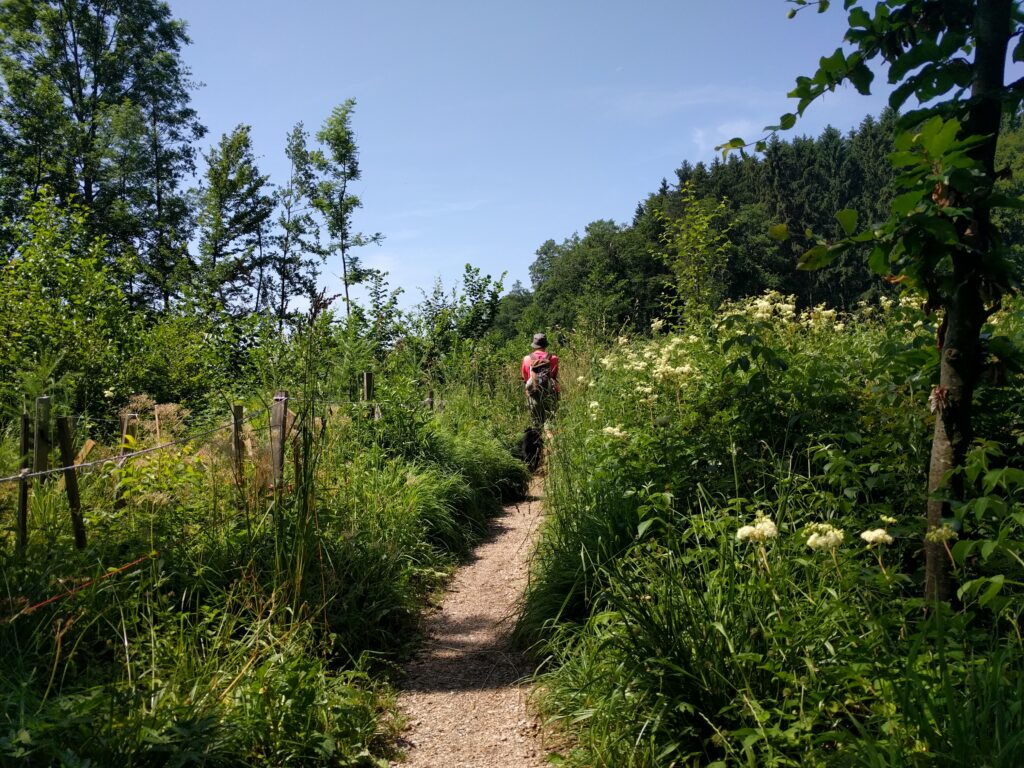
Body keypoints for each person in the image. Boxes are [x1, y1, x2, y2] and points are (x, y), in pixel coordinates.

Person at [522, 332, 559, 429]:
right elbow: (554, 375)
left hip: (534, 393)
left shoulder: (527, 359)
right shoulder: (553, 358)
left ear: (534, 345)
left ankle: (538, 442)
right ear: (545, 344)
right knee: (550, 422)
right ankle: (552, 442)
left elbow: (525, 378)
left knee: (536, 423)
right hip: (549, 392)